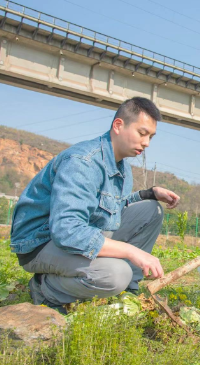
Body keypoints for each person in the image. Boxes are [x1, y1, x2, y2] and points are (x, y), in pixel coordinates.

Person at [10, 97, 180, 313]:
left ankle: (127, 292)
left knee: (151, 209)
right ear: (118, 125)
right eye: (142, 133)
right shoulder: (83, 162)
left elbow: (112, 208)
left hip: (77, 235)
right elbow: (66, 230)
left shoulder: (122, 166)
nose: (147, 143)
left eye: (151, 137)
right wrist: (130, 251)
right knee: (116, 273)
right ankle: (45, 289)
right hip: (42, 243)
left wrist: (150, 193)